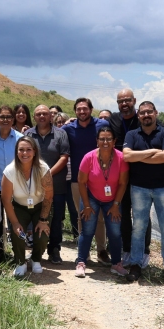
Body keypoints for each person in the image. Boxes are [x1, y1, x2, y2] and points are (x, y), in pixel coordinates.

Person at [122, 101, 164, 282]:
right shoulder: (132, 134)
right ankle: (136, 264)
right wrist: (154, 151)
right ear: (138, 115)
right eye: (142, 112)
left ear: (156, 113)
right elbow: (127, 156)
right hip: (139, 187)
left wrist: (138, 156)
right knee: (138, 227)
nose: (146, 115)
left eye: (149, 112)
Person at [75, 127, 128, 278]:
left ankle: (116, 264)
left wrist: (116, 205)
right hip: (91, 197)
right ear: (97, 141)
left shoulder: (121, 158)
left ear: (114, 141)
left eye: (109, 139)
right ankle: (81, 262)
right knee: (87, 231)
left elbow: (123, 183)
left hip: (113, 200)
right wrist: (86, 205)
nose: (105, 142)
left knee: (115, 232)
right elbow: (81, 182)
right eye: (102, 139)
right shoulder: (88, 157)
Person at [63, 97, 110, 264]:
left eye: (85, 108)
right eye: (79, 109)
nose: (82, 111)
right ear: (75, 111)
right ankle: (84, 252)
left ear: (91, 109)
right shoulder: (68, 128)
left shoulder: (102, 125)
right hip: (78, 179)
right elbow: (54, 133)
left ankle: (101, 250)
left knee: (100, 216)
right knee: (82, 215)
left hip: (100, 178)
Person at [106, 88, 149, 265]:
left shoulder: (143, 118)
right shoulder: (113, 119)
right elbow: (95, 123)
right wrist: (69, 121)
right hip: (120, 176)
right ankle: (126, 249)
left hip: (141, 175)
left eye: (127, 100)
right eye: (120, 101)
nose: (124, 104)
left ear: (134, 101)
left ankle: (144, 251)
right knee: (122, 214)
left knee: (142, 215)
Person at [1, 136, 54, 277]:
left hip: (40, 206)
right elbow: (6, 200)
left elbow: (48, 195)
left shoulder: (43, 168)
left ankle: (35, 259)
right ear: (16, 152)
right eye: (21, 150)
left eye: (28, 149)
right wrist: (15, 223)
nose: (25, 153)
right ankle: (20, 262)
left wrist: (43, 220)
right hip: (19, 207)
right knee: (17, 233)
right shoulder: (10, 170)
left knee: (42, 234)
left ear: (35, 151)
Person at [25, 105, 70, 264]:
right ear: (34, 117)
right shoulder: (28, 134)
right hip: (34, 186)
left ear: (51, 116)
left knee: (56, 219)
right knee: (36, 217)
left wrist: (47, 174)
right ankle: (37, 250)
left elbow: (64, 157)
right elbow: (24, 156)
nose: (42, 116)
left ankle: (54, 249)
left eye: (45, 113)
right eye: (38, 114)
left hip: (57, 185)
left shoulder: (61, 134)